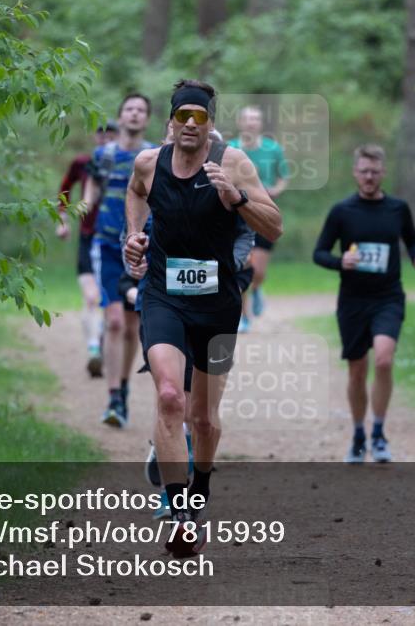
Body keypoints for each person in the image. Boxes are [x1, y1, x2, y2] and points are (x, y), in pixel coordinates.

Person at [124, 79, 282, 556]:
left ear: (211, 122)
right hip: (163, 296)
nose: (190, 124)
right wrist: (133, 237)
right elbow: (135, 192)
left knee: (205, 419)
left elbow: (274, 224)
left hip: (217, 301)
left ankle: (200, 493)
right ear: (170, 122)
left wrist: (235, 197)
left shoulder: (233, 163)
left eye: (200, 116)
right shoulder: (148, 163)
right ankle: (179, 513)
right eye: (182, 116)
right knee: (171, 397)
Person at [313, 144, 415, 464]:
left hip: (387, 297)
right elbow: (319, 253)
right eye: (363, 171)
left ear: (383, 173)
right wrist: (341, 262)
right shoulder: (342, 211)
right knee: (357, 370)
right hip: (352, 301)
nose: (368, 177)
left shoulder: (398, 208)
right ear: (355, 173)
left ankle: (378, 432)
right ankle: (358, 434)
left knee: (382, 360)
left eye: (374, 172)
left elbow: (412, 239)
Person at [83, 94, 155, 427]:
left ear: (147, 119)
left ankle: (123, 389)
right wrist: (79, 211)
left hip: (141, 246)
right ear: (121, 116)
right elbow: (91, 192)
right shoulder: (103, 155)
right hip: (107, 246)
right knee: (113, 321)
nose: (135, 114)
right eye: (130, 109)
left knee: (132, 327)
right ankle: (113, 398)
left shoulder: (155, 157)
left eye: (141, 110)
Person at [56, 121, 118, 377]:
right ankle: (94, 350)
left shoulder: (128, 163)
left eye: (110, 135)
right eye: (100, 134)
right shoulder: (83, 163)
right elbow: (64, 192)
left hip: (116, 242)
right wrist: (63, 222)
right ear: (94, 137)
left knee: (111, 303)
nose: (104, 139)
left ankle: (103, 345)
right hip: (88, 238)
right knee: (91, 297)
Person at [228, 105, 289, 332]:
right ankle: (244, 316)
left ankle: (257, 289)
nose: (251, 123)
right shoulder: (231, 148)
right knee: (243, 265)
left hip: (263, 214)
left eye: (256, 119)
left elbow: (284, 177)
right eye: (248, 119)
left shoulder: (273, 149)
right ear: (240, 122)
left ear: (260, 124)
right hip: (237, 216)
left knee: (258, 271)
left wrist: (275, 190)